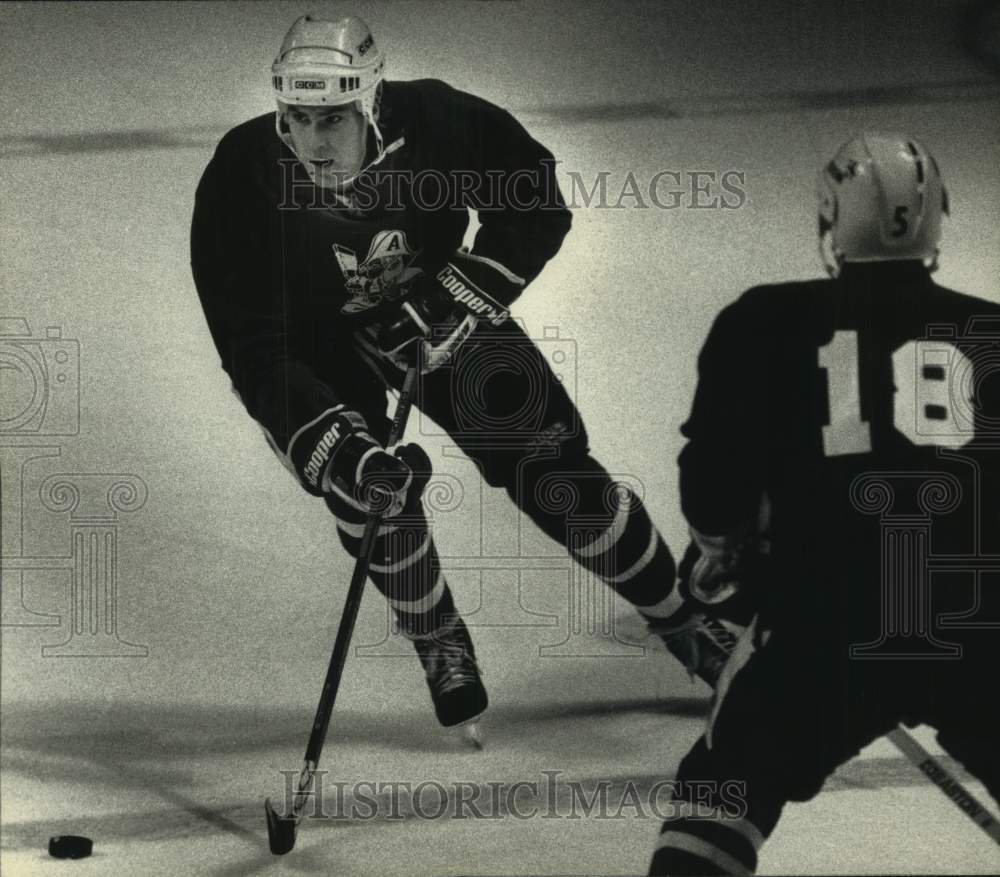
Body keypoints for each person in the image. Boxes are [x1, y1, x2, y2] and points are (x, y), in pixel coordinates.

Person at [191, 14, 719, 733]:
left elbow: (533, 195)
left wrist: (464, 295)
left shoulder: (436, 120)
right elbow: (252, 343)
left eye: (333, 119)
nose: (313, 144)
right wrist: (342, 449)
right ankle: (438, 636)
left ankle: (683, 620)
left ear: (371, 103)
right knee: (373, 497)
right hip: (309, 342)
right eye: (298, 118)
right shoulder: (241, 175)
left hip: (429, 301)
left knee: (553, 466)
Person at [649, 133, 1000, 875]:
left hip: (829, 616)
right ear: (936, 220)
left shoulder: (762, 321)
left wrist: (721, 547)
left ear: (828, 223)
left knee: (722, 794)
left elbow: (715, 487)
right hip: (978, 615)